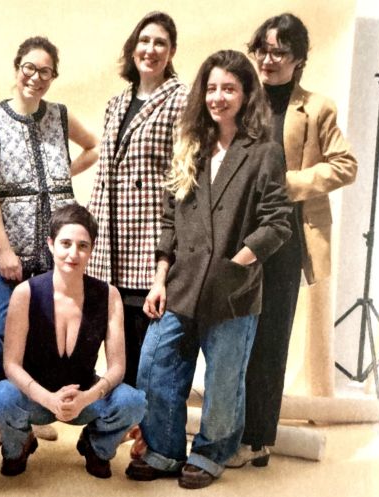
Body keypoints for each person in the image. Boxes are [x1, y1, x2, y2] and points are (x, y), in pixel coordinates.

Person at [125, 50, 292, 489]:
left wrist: (237, 264)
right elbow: (169, 221)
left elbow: (278, 222)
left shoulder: (265, 153)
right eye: (212, 88)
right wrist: (159, 280)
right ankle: (163, 450)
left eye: (229, 89)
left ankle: (211, 452)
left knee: (223, 379)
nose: (218, 97)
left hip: (233, 288)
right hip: (181, 282)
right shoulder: (189, 148)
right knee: (156, 365)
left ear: (246, 94)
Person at [226, 13, 358, 468]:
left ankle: (257, 440)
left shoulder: (316, 107)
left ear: (299, 58)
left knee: (269, 340)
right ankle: (227, 431)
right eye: (261, 50)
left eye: (279, 52)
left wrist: (286, 184)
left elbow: (345, 165)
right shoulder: (241, 100)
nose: (267, 60)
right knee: (231, 337)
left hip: (285, 239)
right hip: (236, 234)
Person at [0, 204, 147, 479]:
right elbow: (11, 364)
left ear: (92, 249)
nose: (73, 254)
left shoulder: (109, 295)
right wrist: (48, 399)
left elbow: (118, 367)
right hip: (35, 396)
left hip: (84, 397)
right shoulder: (25, 292)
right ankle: (19, 444)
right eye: (66, 244)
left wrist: (86, 397)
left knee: (133, 401)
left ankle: (96, 446)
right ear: (51, 244)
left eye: (83, 246)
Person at [0, 36, 98, 393]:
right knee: (1, 329)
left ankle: (42, 405)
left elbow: (93, 147)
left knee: (48, 331)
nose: (36, 77)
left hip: (57, 248)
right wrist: (3, 249)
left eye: (46, 72)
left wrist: (60, 177)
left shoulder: (58, 114)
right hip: (13, 248)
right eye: (30, 68)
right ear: (17, 68)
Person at [86, 11, 188, 388]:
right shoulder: (116, 102)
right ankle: (117, 415)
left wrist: (168, 251)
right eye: (144, 41)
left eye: (161, 43)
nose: (151, 49)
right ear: (132, 49)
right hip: (109, 244)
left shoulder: (182, 99)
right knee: (113, 348)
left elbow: (182, 177)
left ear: (171, 51)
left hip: (148, 243)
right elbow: (104, 175)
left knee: (145, 355)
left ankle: (141, 419)